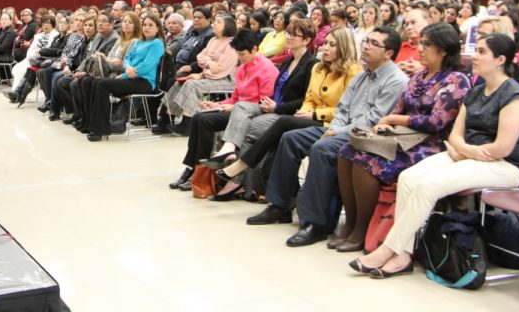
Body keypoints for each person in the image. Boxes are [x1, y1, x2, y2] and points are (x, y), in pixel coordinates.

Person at [352, 34, 519, 278]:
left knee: (429, 186)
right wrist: (465, 151)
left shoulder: (513, 96)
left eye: (482, 51)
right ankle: (402, 255)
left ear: (500, 60)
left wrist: (466, 152)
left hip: (504, 165)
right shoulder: (475, 92)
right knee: (410, 177)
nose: (474, 56)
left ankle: (389, 249)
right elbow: (455, 136)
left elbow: (503, 147)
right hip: (467, 154)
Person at [244, 27, 407, 248]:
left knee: (321, 148)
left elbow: (375, 118)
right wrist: (335, 128)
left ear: (388, 53)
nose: (366, 46)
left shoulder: (396, 80)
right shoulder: (362, 76)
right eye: (366, 41)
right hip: (340, 128)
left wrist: (336, 131)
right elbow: (342, 108)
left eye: (373, 44)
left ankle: (316, 223)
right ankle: (279, 205)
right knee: (291, 138)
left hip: (365, 136)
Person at [334, 23, 470, 252]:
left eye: (427, 44)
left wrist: (397, 121)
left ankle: (363, 230)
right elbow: (398, 109)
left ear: (443, 50)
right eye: (420, 43)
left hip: (433, 144)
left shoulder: (456, 80)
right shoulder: (419, 76)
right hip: (403, 137)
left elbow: (437, 121)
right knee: (346, 152)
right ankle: (351, 224)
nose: (420, 49)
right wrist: (384, 124)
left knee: (367, 161)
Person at [213, 27, 361, 187]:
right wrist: (306, 110)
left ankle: (242, 168)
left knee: (278, 125)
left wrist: (314, 114)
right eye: (325, 43)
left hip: (331, 123)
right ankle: (253, 185)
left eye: (332, 45)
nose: (325, 47)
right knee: (246, 119)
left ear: (344, 47)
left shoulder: (353, 72)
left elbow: (347, 110)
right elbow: (310, 98)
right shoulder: (319, 68)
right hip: (305, 115)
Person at [169, 29, 279, 191]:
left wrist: (232, 106)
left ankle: (201, 170)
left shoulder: (267, 69)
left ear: (254, 49)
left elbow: (264, 102)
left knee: (205, 121)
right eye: (238, 55)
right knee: (199, 117)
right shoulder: (242, 68)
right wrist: (217, 105)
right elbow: (235, 97)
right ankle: (193, 167)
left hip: (253, 113)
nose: (240, 58)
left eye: (242, 54)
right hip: (237, 109)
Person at [86, 15, 165, 141]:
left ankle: (99, 129)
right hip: (132, 78)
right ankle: (94, 125)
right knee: (96, 82)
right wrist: (128, 67)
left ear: (157, 28)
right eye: (144, 25)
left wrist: (123, 75)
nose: (146, 27)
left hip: (145, 82)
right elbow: (127, 58)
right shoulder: (139, 41)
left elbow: (146, 66)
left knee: (102, 84)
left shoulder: (157, 43)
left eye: (150, 25)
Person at [163, 14, 238, 136]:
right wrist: (209, 62)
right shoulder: (213, 40)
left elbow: (222, 68)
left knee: (191, 84)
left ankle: (188, 122)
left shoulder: (232, 43)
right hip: (210, 76)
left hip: (226, 79)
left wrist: (202, 74)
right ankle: (167, 117)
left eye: (219, 22)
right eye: (215, 22)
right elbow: (200, 57)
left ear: (228, 26)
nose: (214, 24)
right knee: (178, 83)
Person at [395, 7, 430, 77]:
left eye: (413, 22)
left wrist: (423, 70)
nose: (409, 27)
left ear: (429, 22)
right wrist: (395, 68)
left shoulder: (437, 48)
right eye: (407, 24)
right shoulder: (399, 47)